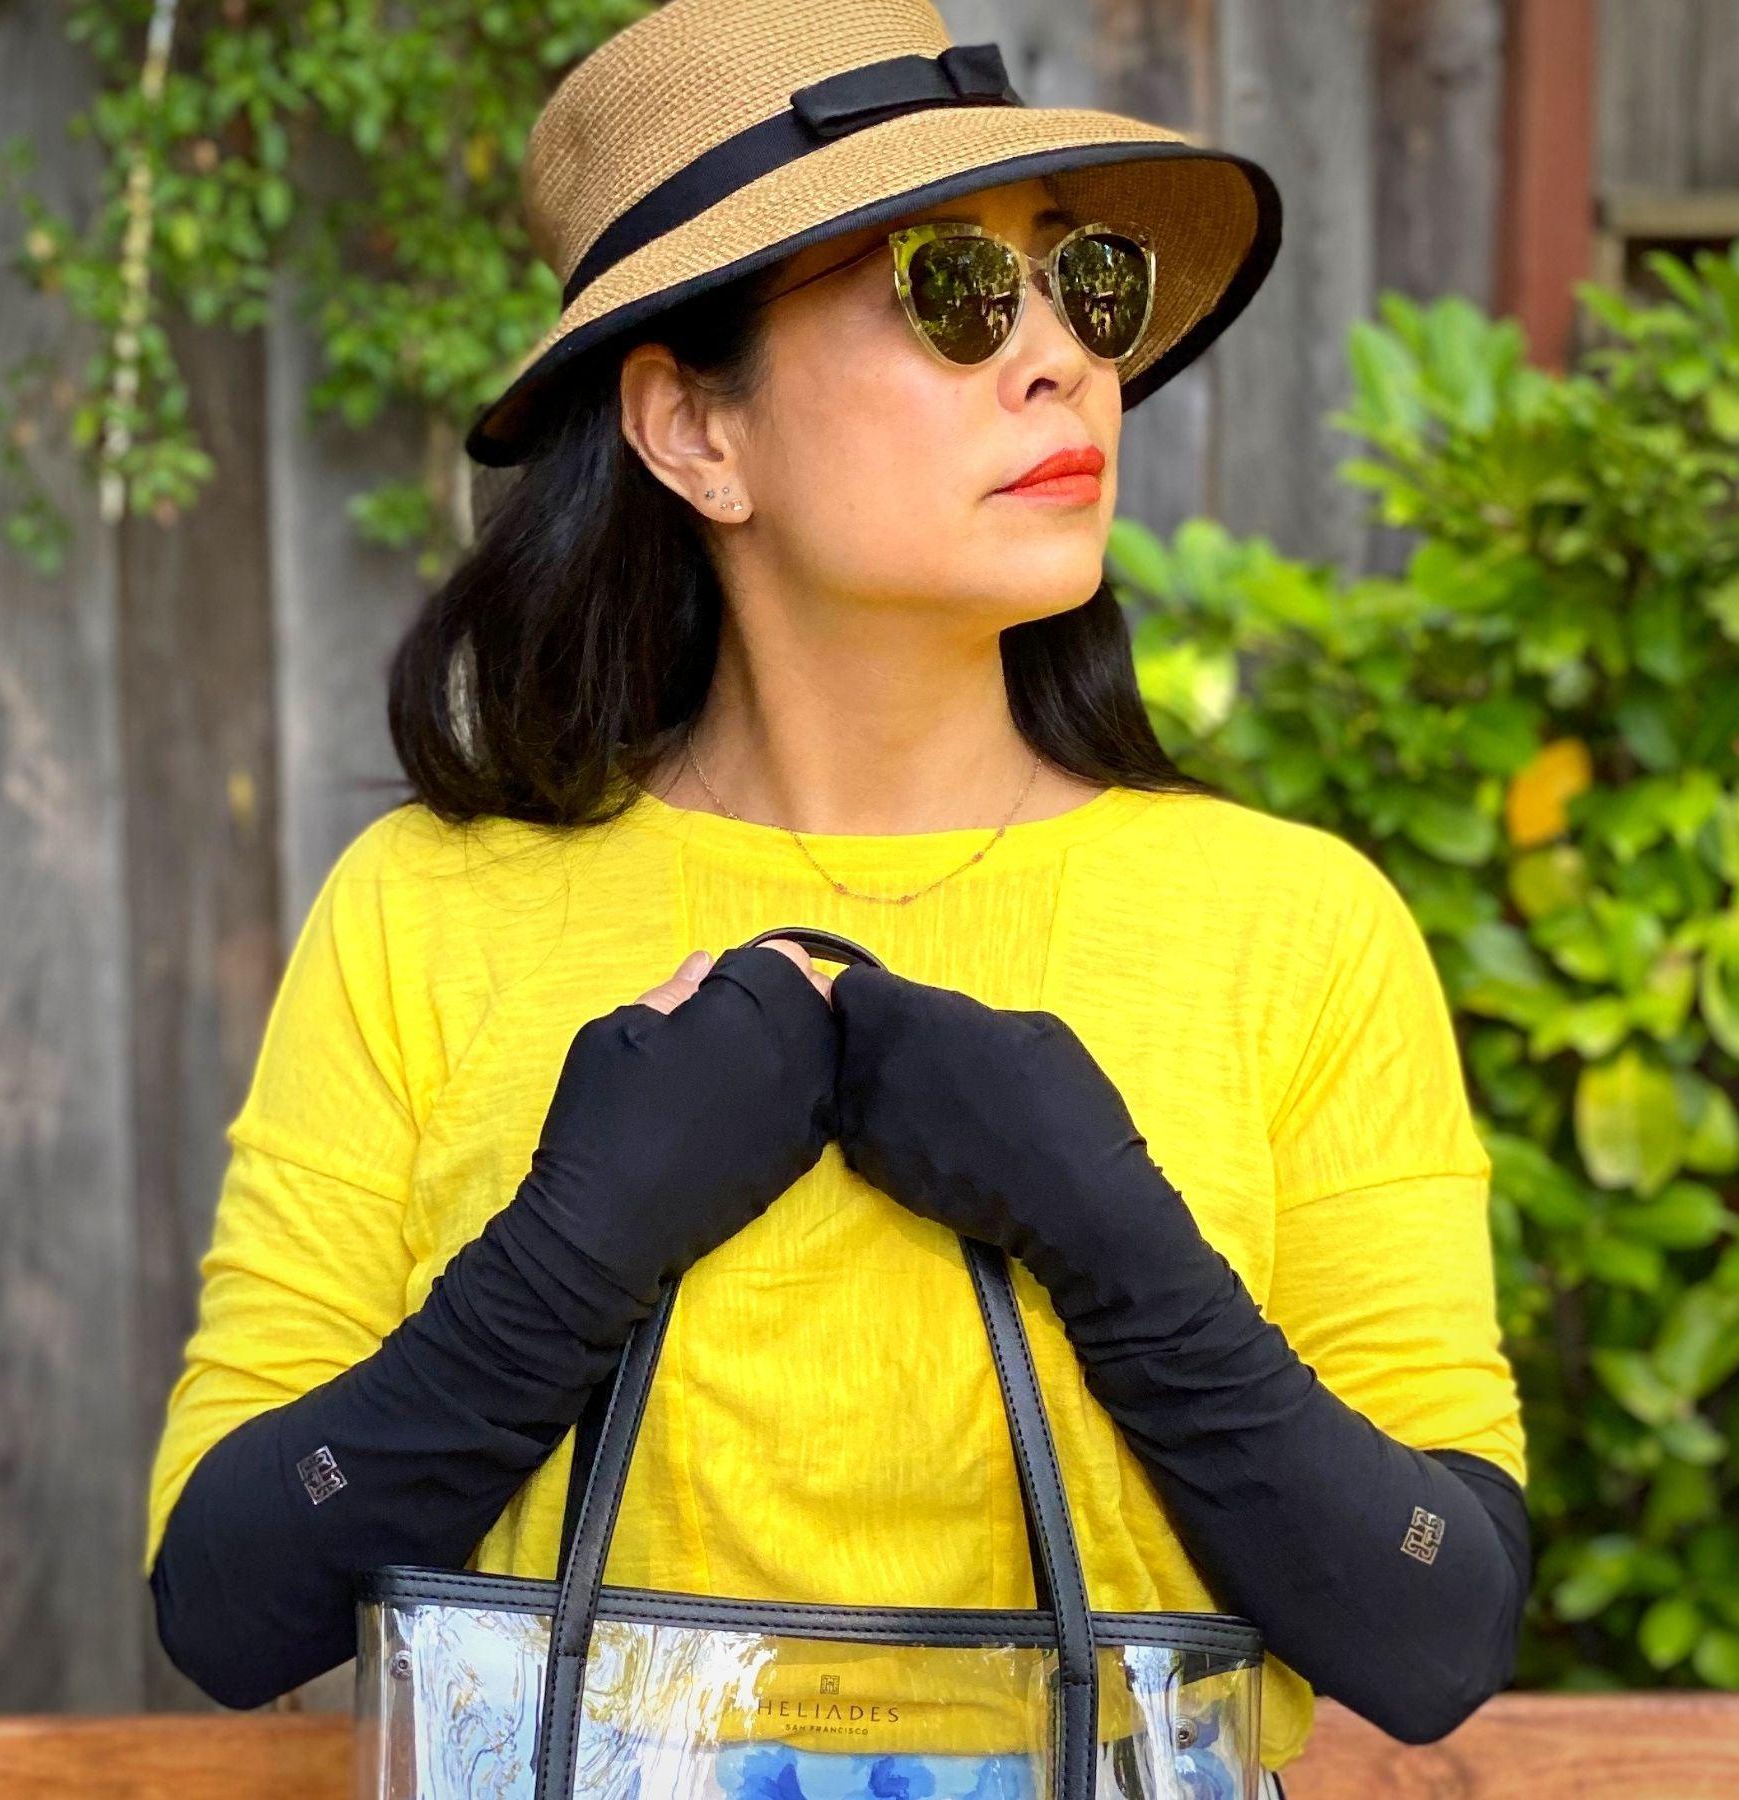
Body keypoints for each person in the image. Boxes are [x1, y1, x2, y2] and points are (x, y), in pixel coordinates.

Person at [143, 3, 1530, 1795]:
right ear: (691, 430)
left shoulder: (1292, 929)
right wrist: (565, 1259)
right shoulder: (427, 915)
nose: (1060, 363)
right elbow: (228, 1596)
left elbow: (1437, 1631)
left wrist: (1117, 1246)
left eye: (1084, 286)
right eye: (953, 291)